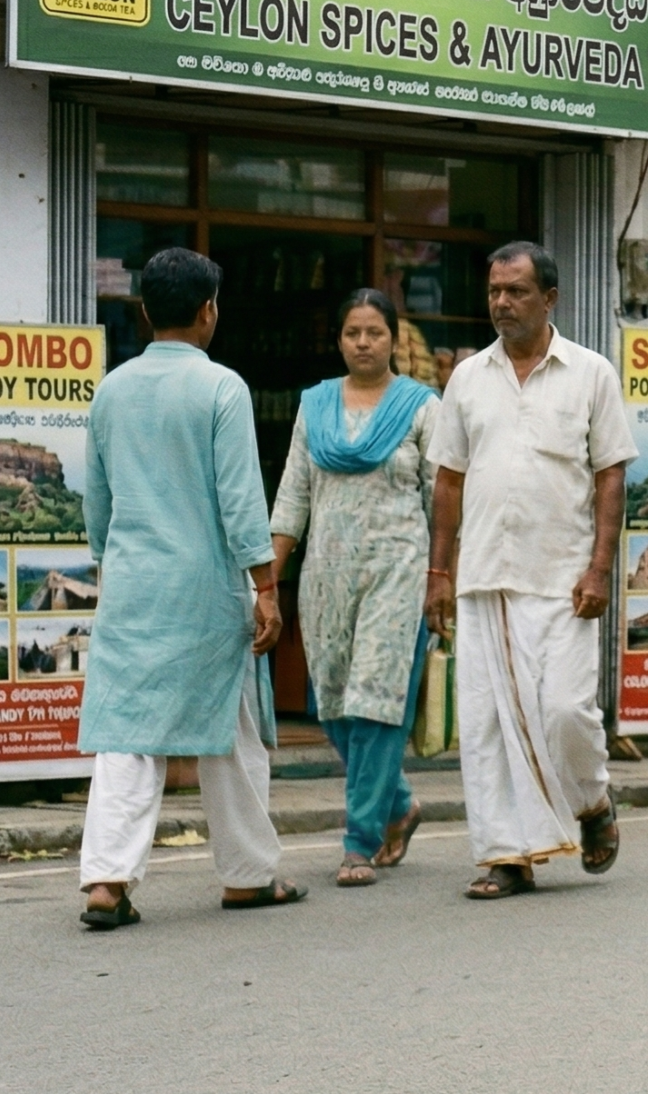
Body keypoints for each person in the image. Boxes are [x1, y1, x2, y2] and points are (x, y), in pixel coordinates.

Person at [76, 248, 303, 928]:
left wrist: (106, 561)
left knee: (127, 732)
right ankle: (246, 875)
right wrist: (265, 586)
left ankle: (106, 882)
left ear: (144, 311)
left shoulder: (111, 389)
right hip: (205, 587)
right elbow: (240, 500)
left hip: (133, 586)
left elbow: (97, 501)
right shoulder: (222, 389)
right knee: (233, 732)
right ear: (208, 312)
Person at [424, 241, 635, 900]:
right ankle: (504, 855)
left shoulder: (591, 373)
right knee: (486, 724)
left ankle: (592, 803)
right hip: (486, 575)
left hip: (567, 578)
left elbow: (610, 477)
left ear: (550, 299)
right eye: (494, 291)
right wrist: (438, 572)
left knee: (567, 711)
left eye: (515, 291)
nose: (502, 303)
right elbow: (448, 481)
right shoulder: (467, 377)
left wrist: (601, 566)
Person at [270, 288, 440, 888]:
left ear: (394, 339)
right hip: (327, 574)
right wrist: (270, 579)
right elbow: (293, 496)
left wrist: (440, 577)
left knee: (377, 699)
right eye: (352, 333)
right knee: (335, 703)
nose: (363, 343)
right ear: (339, 339)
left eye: (374, 332)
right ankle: (399, 805)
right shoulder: (315, 406)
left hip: (399, 570)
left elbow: (439, 501)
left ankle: (358, 840)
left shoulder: (422, 407)